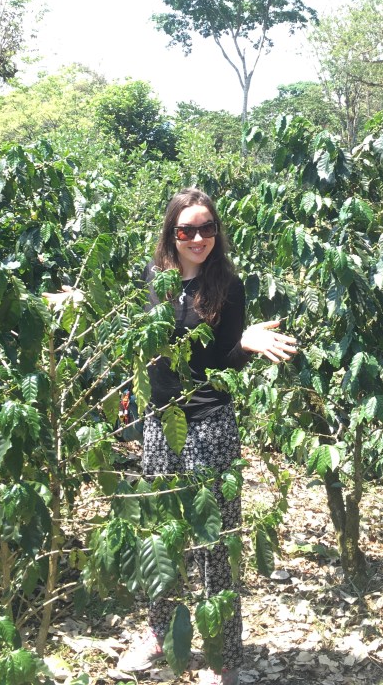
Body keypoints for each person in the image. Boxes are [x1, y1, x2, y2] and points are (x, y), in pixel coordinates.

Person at [119, 188, 297, 685]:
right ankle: (159, 634)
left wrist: (245, 344)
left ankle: (223, 653)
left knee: (214, 541)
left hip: (209, 423)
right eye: (187, 230)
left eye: (207, 229)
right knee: (162, 534)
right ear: (171, 233)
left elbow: (223, 364)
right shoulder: (153, 278)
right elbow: (134, 332)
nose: (198, 238)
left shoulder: (227, 287)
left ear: (217, 232)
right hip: (160, 423)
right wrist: (80, 301)